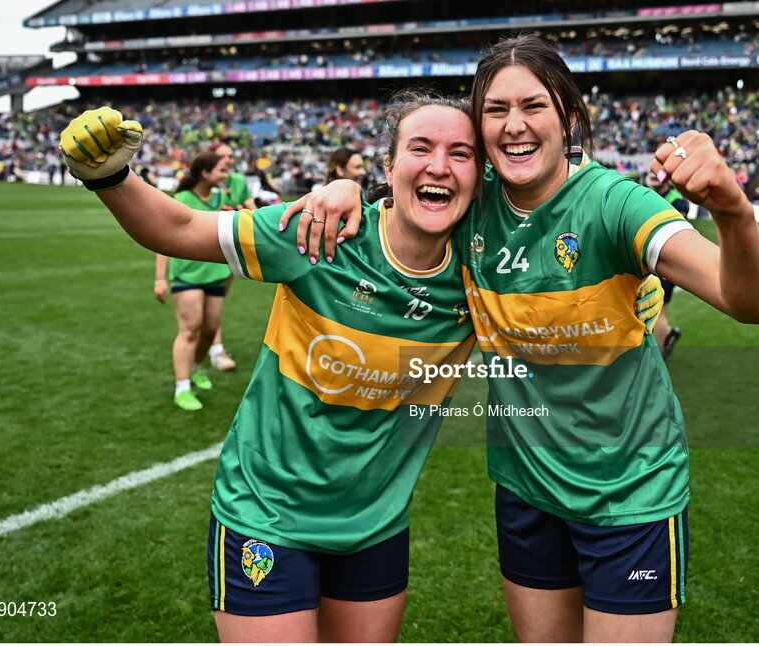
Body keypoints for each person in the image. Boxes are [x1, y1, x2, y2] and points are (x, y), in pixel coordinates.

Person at [286, 34, 759, 643]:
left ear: (568, 117)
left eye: (533, 106)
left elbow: (752, 303)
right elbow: (411, 195)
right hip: (526, 491)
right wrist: (346, 190)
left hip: (629, 494)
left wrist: (733, 210)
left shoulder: (615, 204)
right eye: (496, 110)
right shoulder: (471, 205)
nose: (514, 125)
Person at [58, 93, 480, 642]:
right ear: (388, 166)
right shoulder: (318, 232)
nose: (439, 165)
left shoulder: (486, 272)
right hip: (267, 516)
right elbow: (181, 228)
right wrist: (111, 177)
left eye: (462, 153)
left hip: (375, 529)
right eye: (420, 148)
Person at [156, 151, 233, 411]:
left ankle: (197, 368)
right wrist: (160, 279)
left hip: (217, 275)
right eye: (222, 169)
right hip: (187, 275)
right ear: (205, 172)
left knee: (210, 330)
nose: (227, 175)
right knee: (191, 328)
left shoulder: (222, 197)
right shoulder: (181, 199)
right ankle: (183, 387)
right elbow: (162, 241)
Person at [206, 142, 257, 372]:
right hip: (206, 246)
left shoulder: (237, 181)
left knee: (217, 300)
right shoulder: (204, 180)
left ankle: (209, 343)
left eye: (230, 156)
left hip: (229, 248)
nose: (228, 160)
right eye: (222, 156)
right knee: (207, 301)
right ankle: (215, 349)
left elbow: (251, 209)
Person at [645, 171, 691, 358]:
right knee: (653, 308)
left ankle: (659, 348)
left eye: (658, 174)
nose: (654, 176)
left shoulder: (678, 202)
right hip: (648, 260)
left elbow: (673, 232)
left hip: (663, 263)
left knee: (656, 308)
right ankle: (667, 336)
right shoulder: (643, 193)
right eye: (651, 173)